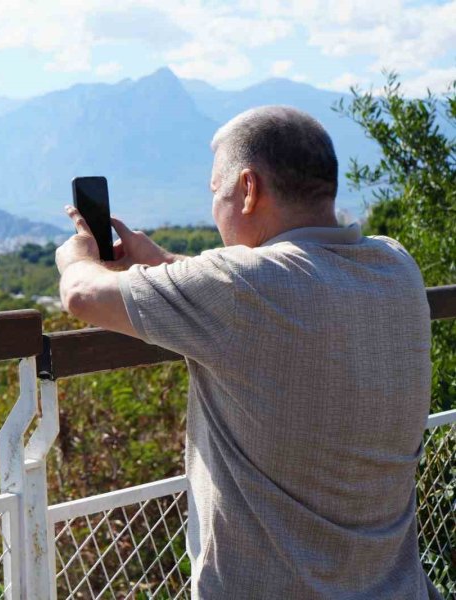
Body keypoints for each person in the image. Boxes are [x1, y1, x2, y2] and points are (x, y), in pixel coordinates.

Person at [56, 106, 437, 599]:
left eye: (217, 191)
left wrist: (77, 258)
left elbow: (82, 296)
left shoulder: (240, 289)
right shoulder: (395, 266)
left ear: (249, 188)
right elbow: (280, 285)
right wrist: (165, 264)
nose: (214, 208)